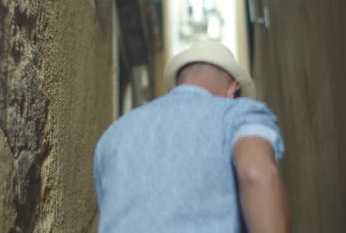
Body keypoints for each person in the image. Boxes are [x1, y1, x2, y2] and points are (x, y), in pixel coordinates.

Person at [94, 41, 289, 233]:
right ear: (233, 88)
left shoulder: (114, 134)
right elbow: (256, 174)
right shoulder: (239, 115)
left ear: (177, 86)